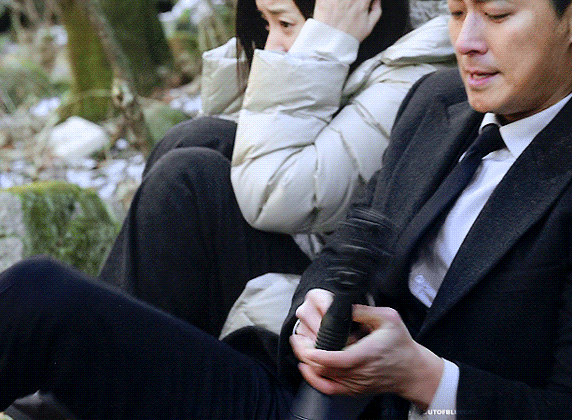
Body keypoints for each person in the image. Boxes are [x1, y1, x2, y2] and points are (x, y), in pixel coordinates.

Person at [0, 0, 572, 417]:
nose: (466, 41)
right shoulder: (438, 102)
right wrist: (316, 308)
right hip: (299, 390)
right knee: (38, 296)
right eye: (456, 11)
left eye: (497, 14)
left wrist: (422, 376)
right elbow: (351, 246)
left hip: (408, 406)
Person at [98, 0, 454, 336]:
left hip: (339, 297)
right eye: (265, 23)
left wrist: (324, 47)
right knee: (195, 138)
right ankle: (111, 346)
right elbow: (243, 154)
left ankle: (112, 356)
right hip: (316, 252)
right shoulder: (367, 60)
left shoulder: (412, 77)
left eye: (284, 23)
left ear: (357, 12)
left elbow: (274, 195)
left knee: (186, 179)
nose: (271, 45)